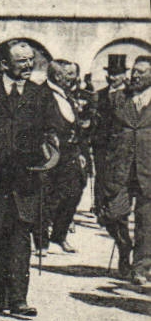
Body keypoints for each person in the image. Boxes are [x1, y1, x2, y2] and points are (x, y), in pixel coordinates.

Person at [0, 39, 72, 317]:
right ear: (3, 65)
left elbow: (56, 129)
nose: (29, 65)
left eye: (31, 59)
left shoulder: (41, 94)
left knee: (21, 237)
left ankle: (19, 299)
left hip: (26, 179)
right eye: (21, 61)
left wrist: (48, 152)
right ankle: (1, 296)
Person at [94, 55, 151, 285]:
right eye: (134, 71)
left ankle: (141, 267)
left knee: (147, 222)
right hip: (119, 169)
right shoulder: (116, 99)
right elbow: (102, 134)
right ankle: (124, 246)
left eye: (141, 72)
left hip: (148, 171)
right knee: (112, 214)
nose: (135, 76)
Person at [43, 59, 91, 254]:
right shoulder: (42, 94)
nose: (74, 78)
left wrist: (81, 152)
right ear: (58, 76)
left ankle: (59, 235)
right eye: (70, 74)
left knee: (74, 192)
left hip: (71, 153)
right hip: (50, 154)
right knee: (48, 196)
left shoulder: (68, 95)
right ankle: (41, 240)